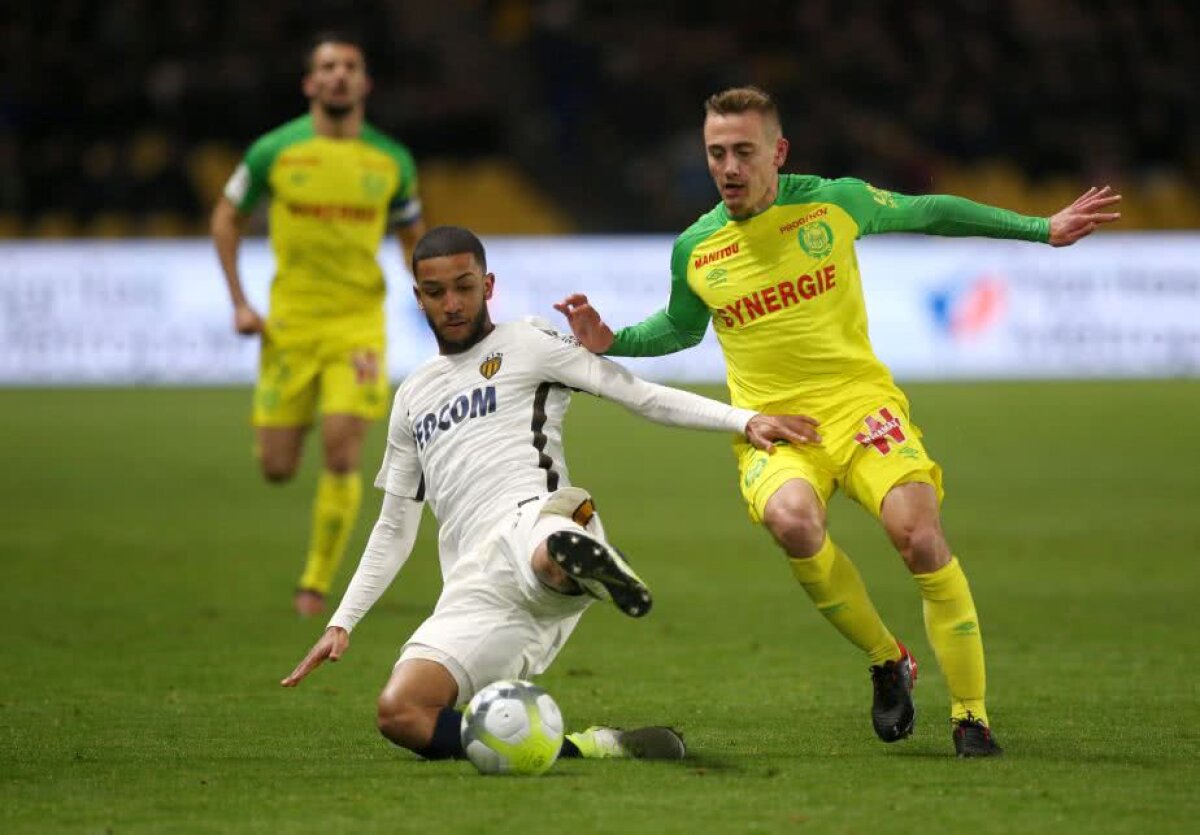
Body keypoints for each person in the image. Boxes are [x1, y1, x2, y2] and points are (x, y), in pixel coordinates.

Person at [554, 86, 1122, 758]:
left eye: (743, 151)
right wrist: (611, 337)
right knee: (793, 521)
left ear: (778, 151)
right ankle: (888, 659)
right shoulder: (697, 247)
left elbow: (930, 211)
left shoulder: (834, 201)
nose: (728, 167)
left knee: (917, 536)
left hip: (860, 407)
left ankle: (972, 715)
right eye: (716, 154)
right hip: (774, 424)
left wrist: (1039, 228)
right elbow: (679, 327)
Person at [281, 226, 820, 762]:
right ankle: (591, 747)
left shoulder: (529, 343)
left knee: (548, 543)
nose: (452, 303)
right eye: (436, 291)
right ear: (417, 296)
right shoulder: (413, 397)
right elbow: (394, 526)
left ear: (488, 285)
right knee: (402, 715)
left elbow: (636, 394)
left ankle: (579, 566)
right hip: (474, 583)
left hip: (539, 516)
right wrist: (342, 621)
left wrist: (742, 419)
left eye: (464, 286)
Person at [211, 32, 426, 617]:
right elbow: (227, 218)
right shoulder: (273, 152)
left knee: (341, 451)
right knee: (278, 467)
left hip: (358, 325)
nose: (338, 76)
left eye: (350, 67)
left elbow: (414, 238)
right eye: (327, 67)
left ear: (365, 83)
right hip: (290, 327)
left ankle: (315, 585)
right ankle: (296, 422)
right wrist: (239, 300)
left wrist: (438, 304)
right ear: (310, 83)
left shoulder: (391, 160)